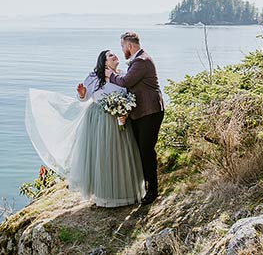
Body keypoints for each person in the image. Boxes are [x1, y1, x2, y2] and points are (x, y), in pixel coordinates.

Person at [25, 50, 145, 207]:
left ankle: (125, 194)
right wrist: (81, 94)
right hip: (100, 120)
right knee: (103, 156)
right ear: (104, 61)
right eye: (110, 55)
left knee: (121, 155)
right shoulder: (94, 77)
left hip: (120, 119)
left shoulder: (123, 75)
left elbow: (129, 96)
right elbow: (84, 98)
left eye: (115, 54)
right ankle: (105, 196)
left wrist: (126, 112)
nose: (115, 56)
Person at [105, 31, 164, 205]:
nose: (122, 50)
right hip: (141, 113)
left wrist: (110, 75)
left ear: (129, 46)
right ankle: (147, 187)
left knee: (146, 151)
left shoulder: (141, 61)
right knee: (142, 151)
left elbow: (125, 82)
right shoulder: (137, 60)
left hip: (150, 112)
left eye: (122, 46)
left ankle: (153, 191)